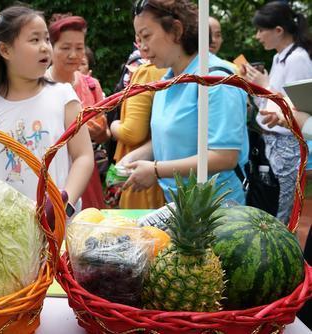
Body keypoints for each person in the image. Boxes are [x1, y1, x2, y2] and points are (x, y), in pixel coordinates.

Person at [0, 5, 94, 218]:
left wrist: (65, 201)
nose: (45, 47)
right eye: (34, 40)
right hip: (9, 228)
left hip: (60, 226)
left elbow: (83, 156)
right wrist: (0, 203)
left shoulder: (64, 96)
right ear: (5, 50)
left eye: (46, 39)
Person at [120, 0, 248, 204]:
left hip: (219, 210)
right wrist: (135, 157)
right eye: (139, 39)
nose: (143, 49)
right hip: (179, 206)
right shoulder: (166, 81)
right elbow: (173, 136)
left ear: (176, 30)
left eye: (146, 36)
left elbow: (224, 156)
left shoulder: (216, 79)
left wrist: (155, 170)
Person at [242, 1, 312, 224]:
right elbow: (271, 106)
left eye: (262, 30)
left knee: (284, 213)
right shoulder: (279, 57)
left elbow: (296, 108)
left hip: (288, 146)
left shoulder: (297, 58)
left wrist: (264, 83)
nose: (257, 36)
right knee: (274, 208)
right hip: (272, 144)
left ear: (279, 31)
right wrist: (255, 88)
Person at [47, 15, 107, 209]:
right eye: (65, 48)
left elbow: (104, 134)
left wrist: (97, 132)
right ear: (51, 47)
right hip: (52, 176)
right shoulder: (38, 87)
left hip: (87, 176)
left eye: (79, 48)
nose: (73, 55)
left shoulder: (91, 85)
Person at [110, 61, 166, 209]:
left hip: (147, 183)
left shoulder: (149, 72)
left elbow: (132, 133)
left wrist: (113, 125)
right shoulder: (173, 72)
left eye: (147, 36)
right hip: (149, 170)